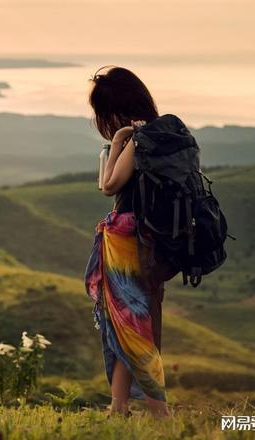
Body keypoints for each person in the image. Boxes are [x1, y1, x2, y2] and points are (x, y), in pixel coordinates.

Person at [84, 65, 172, 419]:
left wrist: (119, 141)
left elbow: (109, 186)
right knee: (129, 321)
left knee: (131, 326)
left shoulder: (137, 139)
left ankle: (159, 412)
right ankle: (118, 407)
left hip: (127, 241)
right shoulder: (165, 134)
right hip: (157, 241)